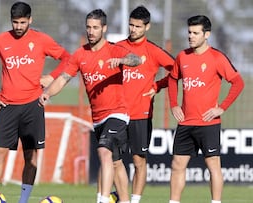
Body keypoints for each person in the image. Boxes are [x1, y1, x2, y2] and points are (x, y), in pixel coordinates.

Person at [39, 9, 141, 203]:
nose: (91, 31)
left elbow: (136, 59)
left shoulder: (114, 49)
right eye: (88, 27)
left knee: (104, 151)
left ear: (104, 28)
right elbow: (63, 78)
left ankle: (102, 199)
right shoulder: (79, 54)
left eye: (95, 27)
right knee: (116, 162)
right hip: (98, 117)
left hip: (118, 113)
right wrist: (47, 93)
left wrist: (120, 60)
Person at [0, 2, 70, 203]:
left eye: (22, 22)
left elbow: (67, 58)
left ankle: (23, 201)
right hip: (8, 107)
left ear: (30, 20)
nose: (18, 26)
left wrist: (51, 76)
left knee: (31, 157)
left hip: (32, 106)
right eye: (15, 22)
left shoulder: (41, 40)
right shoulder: (1, 40)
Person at [168, 15, 244, 203]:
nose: (191, 36)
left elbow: (238, 82)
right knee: (177, 165)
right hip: (186, 122)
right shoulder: (182, 56)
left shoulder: (217, 58)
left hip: (208, 122)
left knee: (213, 165)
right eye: (189, 32)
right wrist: (174, 104)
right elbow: (172, 79)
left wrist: (222, 108)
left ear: (206, 34)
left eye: (195, 33)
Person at [110, 5, 175, 203]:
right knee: (113, 161)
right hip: (117, 114)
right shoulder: (117, 47)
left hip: (141, 114)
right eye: (131, 25)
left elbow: (177, 71)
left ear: (147, 27)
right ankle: (122, 198)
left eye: (138, 26)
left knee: (139, 161)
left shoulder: (154, 51)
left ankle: (135, 200)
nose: (133, 30)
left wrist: (158, 85)